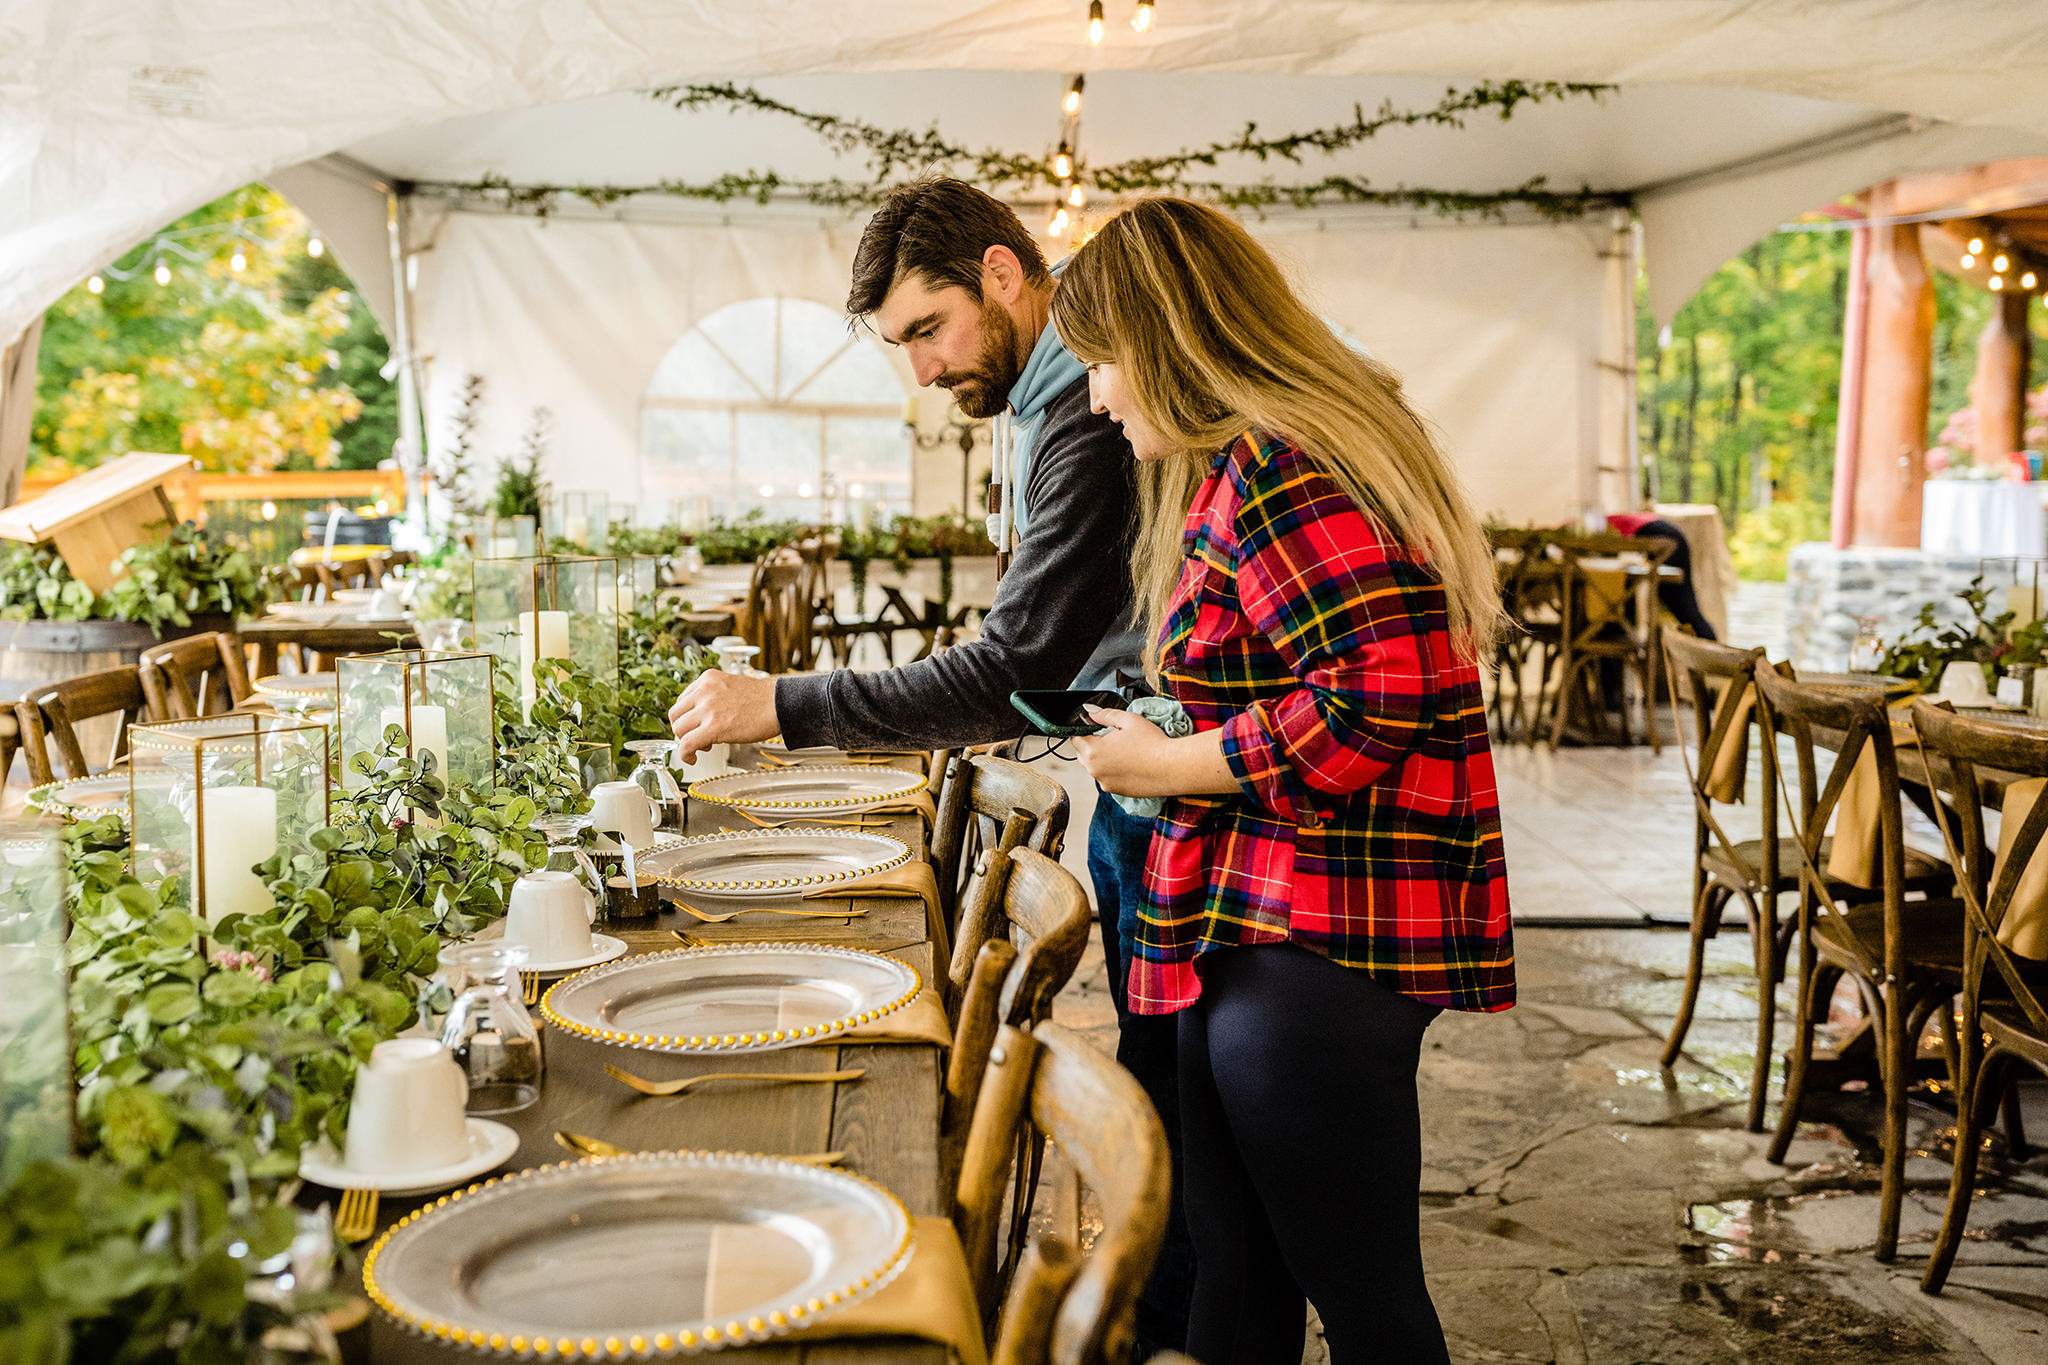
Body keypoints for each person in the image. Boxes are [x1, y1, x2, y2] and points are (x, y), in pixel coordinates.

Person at [666, 177, 1196, 1353]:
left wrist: (786, 706)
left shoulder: (1084, 422)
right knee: (1186, 1152)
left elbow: (1009, 666)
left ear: (1002, 275)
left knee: (1198, 1164)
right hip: (1142, 785)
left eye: (925, 330)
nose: (916, 370)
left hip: (1183, 804)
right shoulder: (1048, 405)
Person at [1052, 197, 1516, 1365]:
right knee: (1241, 1274)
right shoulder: (1249, 464)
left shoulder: (1284, 470)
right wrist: (1175, 725)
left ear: (1166, 339)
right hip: (1274, 925)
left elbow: (1376, 696)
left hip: (1319, 937)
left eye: (1102, 361)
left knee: (1363, 1304)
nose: (1096, 393)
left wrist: (1165, 761)